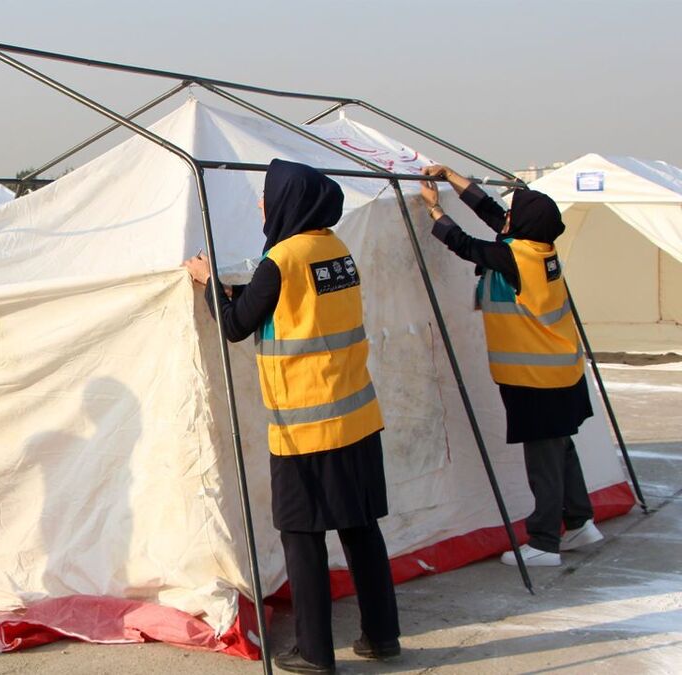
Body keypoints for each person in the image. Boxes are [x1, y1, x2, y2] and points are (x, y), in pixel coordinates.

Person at [184, 160, 400, 673]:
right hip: (357, 416)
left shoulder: (281, 259)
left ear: (289, 202)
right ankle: (382, 637)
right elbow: (284, 310)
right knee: (360, 528)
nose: (262, 205)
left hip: (305, 424)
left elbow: (236, 327)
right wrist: (240, 292)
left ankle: (315, 652)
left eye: (267, 196)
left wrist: (208, 281)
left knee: (302, 535)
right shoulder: (334, 249)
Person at [420, 165, 603, 567]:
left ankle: (543, 542)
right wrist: (450, 176)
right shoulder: (539, 248)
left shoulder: (514, 256)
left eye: (512, 215)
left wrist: (434, 211)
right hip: (562, 372)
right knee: (561, 448)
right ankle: (579, 522)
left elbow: (466, 245)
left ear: (521, 225)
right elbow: (490, 211)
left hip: (536, 379)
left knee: (544, 458)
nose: (505, 217)